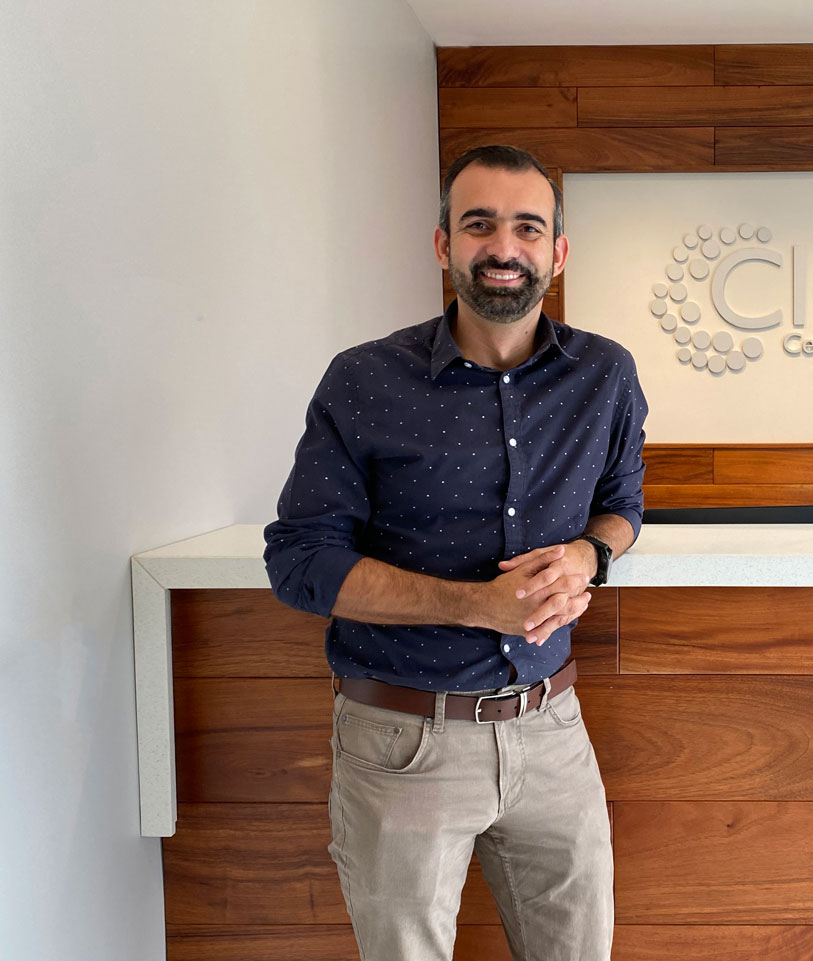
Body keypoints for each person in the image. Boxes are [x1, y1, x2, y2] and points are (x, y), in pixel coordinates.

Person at [262, 144, 647, 961]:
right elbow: (299, 560)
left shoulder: (605, 375)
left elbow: (624, 505)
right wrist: (476, 605)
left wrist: (589, 555)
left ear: (558, 252)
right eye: (479, 225)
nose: (504, 247)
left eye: (527, 228)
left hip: (552, 729)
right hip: (404, 740)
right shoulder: (363, 380)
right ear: (444, 243)